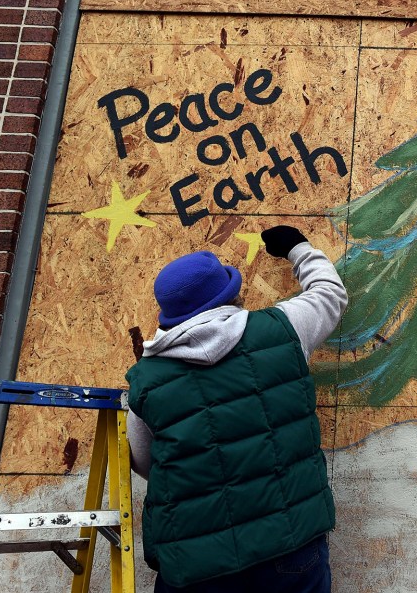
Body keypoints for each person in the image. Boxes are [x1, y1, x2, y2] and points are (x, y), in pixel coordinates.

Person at [124, 225, 348, 593]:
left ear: (168, 313)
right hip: (289, 548)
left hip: (197, 566)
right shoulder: (284, 328)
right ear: (232, 292)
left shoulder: (147, 381)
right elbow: (329, 294)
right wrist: (297, 247)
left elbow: (146, 463)